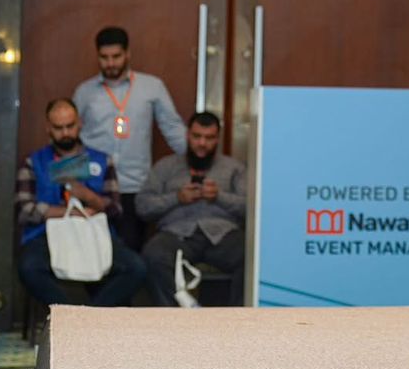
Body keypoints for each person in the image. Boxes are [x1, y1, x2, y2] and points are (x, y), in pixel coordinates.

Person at [15, 98, 148, 307]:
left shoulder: (102, 160)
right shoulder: (33, 162)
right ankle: (68, 313)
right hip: (46, 235)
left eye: (70, 126)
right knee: (28, 267)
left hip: (93, 233)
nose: (65, 133)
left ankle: (90, 315)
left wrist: (90, 198)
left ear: (80, 124)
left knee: (136, 268)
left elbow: (116, 209)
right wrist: (69, 213)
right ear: (48, 128)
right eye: (58, 128)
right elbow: (24, 210)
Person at [73, 26, 187, 251]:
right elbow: (71, 138)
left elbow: (173, 129)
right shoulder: (84, 92)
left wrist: (198, 160)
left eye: (116, 56)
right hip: (94, 186)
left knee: (128, 251)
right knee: (92, 252)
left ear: (128, 54)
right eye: (104, 57)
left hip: (134, 186)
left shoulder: (152, 87)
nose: (110, 63)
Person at [136, 111, 247, 306]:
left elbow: (250, 209)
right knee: (154, 254)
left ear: (217, 139)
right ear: (188, 135)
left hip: (223, 235)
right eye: (197, 136)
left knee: (250, 255)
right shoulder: (166, 166)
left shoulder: (234, 168)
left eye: (209, 138)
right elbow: (143, 206)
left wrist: (219, 197)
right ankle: (173, 316)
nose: (202, 143)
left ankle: (237, 318)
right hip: (176, 234)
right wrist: (176, 198)